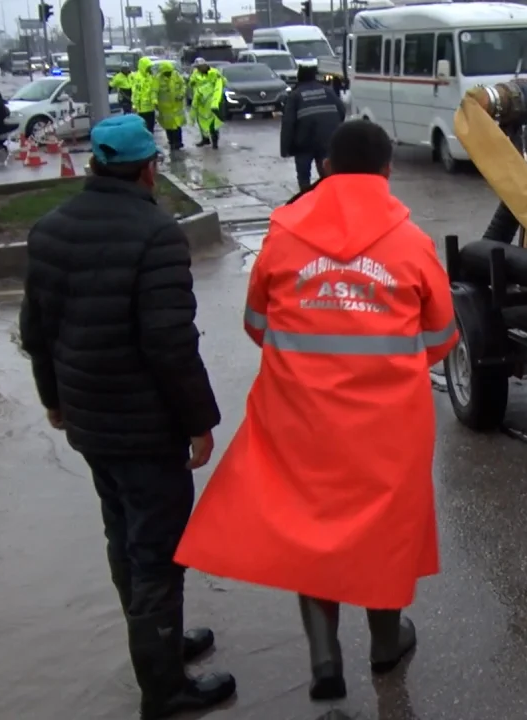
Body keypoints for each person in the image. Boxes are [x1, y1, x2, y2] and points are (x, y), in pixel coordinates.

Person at [174, 119, 458, 701]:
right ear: (387, 170)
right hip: (389, 425)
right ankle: (384, 644)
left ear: (326, 166)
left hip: (300, 417)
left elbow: (256, 326)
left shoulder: (284, 236)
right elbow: (443, 336)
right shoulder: (412, 244)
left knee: (312, 530)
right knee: (384, 529)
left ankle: (325, 658)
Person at [17, 115, 236, 720]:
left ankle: (160, 647)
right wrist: (200, 421)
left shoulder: (51, 229)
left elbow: (34, 330)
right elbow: (169, 341)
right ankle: (164, 691)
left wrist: (53, 399)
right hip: (145, 430)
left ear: (93, 166)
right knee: (158, 551)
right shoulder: (155, 233)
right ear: (148, 169)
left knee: (125, 537)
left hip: (90, 421)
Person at [280, 62, 345, 191]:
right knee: (327, 174)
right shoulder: (328, 91)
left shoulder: (295, 95)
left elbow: (288, 123)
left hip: (304, 143)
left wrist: (285, 149)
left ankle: (306, 200)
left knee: (304, 177)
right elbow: (342, 111)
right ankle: (330, 198)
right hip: (327, 139)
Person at [190, 59, 224, 149]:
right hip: (201, 102)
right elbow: (191, 82)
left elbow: (222, 83)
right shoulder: (195, 73)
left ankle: (215, 142)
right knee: (201, 122)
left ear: (204, 66)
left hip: (211, 101)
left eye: (199, 67)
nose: (198, 69)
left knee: (213, 123)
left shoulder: (214, 73)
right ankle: (205, 139)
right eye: (197, 67)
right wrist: (191, 82)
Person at [156, 61, 188, 151]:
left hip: (177, 106)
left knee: (178, 126)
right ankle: (172, 142)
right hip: (165, 108)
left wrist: (181, 94)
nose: (168, 74)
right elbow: (154, 91)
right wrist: (154, 102)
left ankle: (179, 142)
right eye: (166, 72)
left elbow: (183, 85)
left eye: (169, 72)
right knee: (169, 127)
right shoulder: (158, 79)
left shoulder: (176, 75)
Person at [131, 56, 159, 133]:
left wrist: (155, 101)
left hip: (151, 108)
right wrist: (134, 105)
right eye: (148, 67)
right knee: (144, 129)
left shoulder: (150, 76)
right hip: (142, 109)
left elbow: (153, 90)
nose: (149, 69)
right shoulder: (138, 78)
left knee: (151, 127)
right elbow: (136, 93)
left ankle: (150, 142)